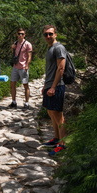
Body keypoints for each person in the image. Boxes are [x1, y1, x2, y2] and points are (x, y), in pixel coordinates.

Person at [41, 24, 67, 156]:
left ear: (55, 34)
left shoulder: (58, 48)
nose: (48, 36)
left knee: (58, 116)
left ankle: (62, 144)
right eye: (45, 34)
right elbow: (51, 70)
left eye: (50, 33)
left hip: (56, 86)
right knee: (51, 112)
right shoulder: (50, 48)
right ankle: (56, 139)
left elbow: (60, 69)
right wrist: (46, 86)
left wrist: (53, 87)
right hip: (50, 85)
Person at [8, 28, 33, 110]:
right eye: (19, 33)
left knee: (25, 85)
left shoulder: (28, 44)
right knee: (12, 84)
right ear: (17, 34)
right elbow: (13, 54)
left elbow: (29, 56)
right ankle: (14, 102)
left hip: (23, 67)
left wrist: (27, 65)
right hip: (15, 67)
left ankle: (26, 103)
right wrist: (12, 48)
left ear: (24, 35)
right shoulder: (15, 43)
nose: (20, 35)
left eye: (22, 34)